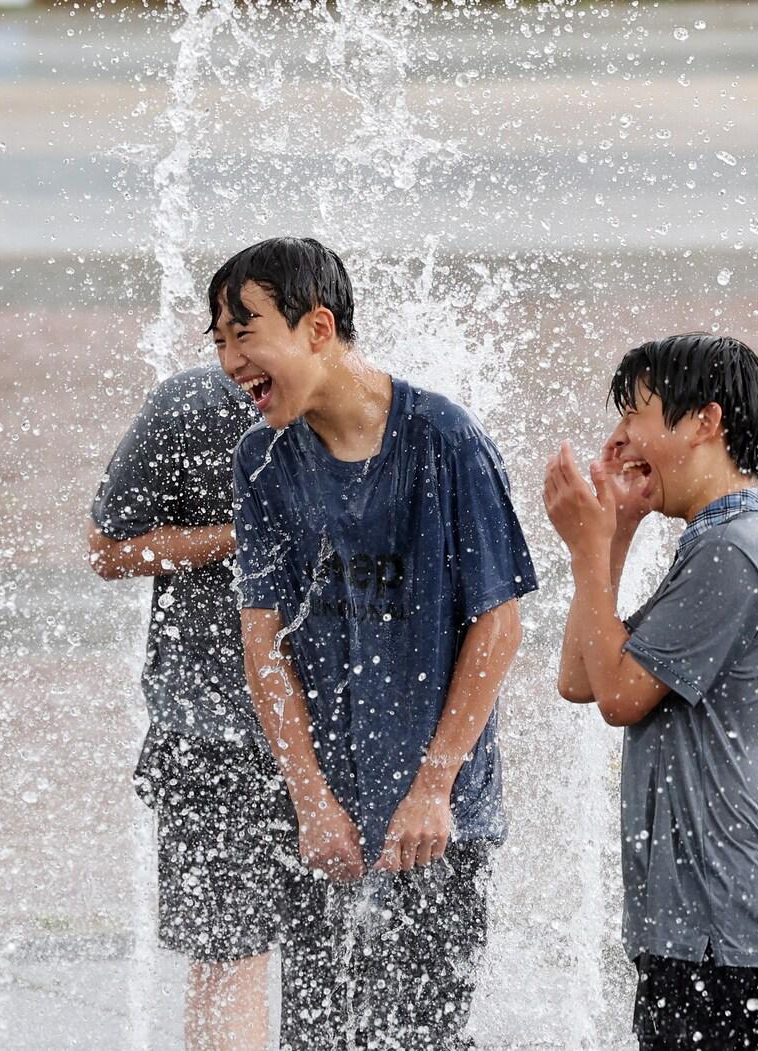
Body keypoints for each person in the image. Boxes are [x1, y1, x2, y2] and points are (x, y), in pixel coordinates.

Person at [218, 237, 537, 1049]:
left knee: (429, 1035)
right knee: (319, 1036)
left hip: (438, 819)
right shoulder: (263, 459)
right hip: (323, 823)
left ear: (317, 327)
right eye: (217, 340)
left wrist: (434, 785)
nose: (229, 361)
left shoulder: (445, 439)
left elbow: (498, 625)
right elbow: (264, 643)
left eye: (243, 333)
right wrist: (310, 797)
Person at [543, 333, 758, 1051]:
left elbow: (619, 697)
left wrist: (588, 546)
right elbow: (580, 678)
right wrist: (617, 531)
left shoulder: (733, 552)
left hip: (719, 918)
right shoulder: (713, 544)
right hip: (693, 916)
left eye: (639, 411)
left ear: (704, 423)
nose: (622, 434)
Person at [88, 360, 295, 1051]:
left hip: (331, 731)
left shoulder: (374, 412)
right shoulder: (192, 403)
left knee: (263, 964)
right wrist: (240, 534)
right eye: (227, 328)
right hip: (213, 728)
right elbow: (108, 548)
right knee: (231, 961)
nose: (238, 349)